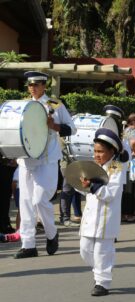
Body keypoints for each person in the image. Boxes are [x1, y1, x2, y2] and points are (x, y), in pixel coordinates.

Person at [14, 71, 76, 259]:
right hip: (26, 159)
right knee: (25, 203)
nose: (33, 88)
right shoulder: (23, 105)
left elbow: (71, 129)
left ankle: (51, 233)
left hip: (47, 159)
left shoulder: (54, 105)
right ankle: (28, 245)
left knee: (40, 200)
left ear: (44, 86)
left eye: (37, 85)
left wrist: (54, 126)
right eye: (30, 85)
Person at [79, 128, 128, 296]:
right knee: (84, 250)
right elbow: (83, 190)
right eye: (95, 151)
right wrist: (81, 184)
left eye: (101, 151)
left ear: (112, 151)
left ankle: (103, 282)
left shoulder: (117, 168)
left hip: (106, 218)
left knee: (102, 251)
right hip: (90, 217)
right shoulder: (92, 166)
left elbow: (110, 194)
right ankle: (100, 271)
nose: (97, 155)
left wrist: (92, 186)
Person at [0, 154, 16, 234]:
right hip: (5, 167)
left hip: (7, 167)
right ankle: (4, 224)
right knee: (4, 198)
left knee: (5, 198)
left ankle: (5, 223)